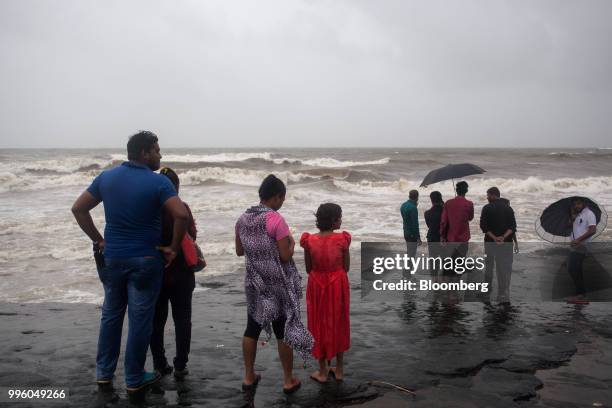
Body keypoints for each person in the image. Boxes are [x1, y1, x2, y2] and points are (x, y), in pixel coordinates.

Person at [71, 131, 189, 397]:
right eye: (157, 150)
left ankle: (104, 374)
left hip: (112, 258)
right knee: (139, 321)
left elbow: (78, 208)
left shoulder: (107, 178)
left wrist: (99, 240)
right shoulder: (157, 183)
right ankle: (134, 377)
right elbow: (180, 214)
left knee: (111, 316)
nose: (160, 154)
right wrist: (171, 247)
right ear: (144, 153)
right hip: (145, 262)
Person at [235, 175, 313, 394]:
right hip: (276, 283)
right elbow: (285, 257)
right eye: (282, 198)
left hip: (254, 282)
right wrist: (292, 244)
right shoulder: (275, 220)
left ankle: (249, 376)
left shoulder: (242, 218)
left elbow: (240, 251)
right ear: (277, 197)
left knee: (252, 327)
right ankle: (288, 380)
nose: (282, 203)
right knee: (282, 330)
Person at [149, 167, 198, 379]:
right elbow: (193, 235)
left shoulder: (149, 210)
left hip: (157, 273)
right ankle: (181, 364)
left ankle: (160, 364)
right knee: (182, 319)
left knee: (156, 321)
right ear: (176, 187)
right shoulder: (182, 208)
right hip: (182, 275)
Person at [300, 203, 351, 383]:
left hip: (316, 284)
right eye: (340, 217)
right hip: (338, 284)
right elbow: (346, 267)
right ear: (333, 221)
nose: (341, 220)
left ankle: (322, 371)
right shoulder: (343, 240)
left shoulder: (309, 241)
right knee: (339, 322)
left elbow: (308, 268)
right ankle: (339, 369)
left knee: (318, 323)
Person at [479, 187, 517, 304]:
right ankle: (501, 293)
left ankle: (486, 292)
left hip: (490, 242)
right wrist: (503, 237)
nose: (487, 197)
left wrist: (495, 238)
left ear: (493, 195)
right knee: (502, 268)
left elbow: (484, 227)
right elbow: (513, 227)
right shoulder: (509, 208)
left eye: (488, 195)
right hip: (506, 242)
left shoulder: (486, 208)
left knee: (489, 267)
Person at [567, 197, 597, 302]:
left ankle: (581, 293)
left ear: (583, 203)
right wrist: (572, 218)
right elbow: (571, 227)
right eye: (575, 204)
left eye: (578, 204)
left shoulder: (589, 213)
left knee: (572, 268)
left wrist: (579, 240)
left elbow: (593, 230)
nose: (576, 206)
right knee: (576, 269)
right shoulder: (578, 215)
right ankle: (580, 294)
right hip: (576, 245)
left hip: (582, 245)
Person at [440, 181, 474, 263]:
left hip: (451, 237)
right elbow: (470, 218)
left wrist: (442, 236)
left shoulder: (448, 203)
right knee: (460, 261)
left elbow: (444, 221)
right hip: (464, 238)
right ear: (466, 191)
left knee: (450, 261)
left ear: (456, 190)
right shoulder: (469, 204)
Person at [425, 191, 444, 272]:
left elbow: (429, 226)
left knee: (433, 260)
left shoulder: (427, 213)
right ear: (440, 198)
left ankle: (434, 281)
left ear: (431, 200)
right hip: (443, 238)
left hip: (432, 237)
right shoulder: (445, 212)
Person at [401, 190, 421, 258]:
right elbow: (415, 224)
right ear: (417, 197)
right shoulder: (413, 208)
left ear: (409, 196)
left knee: (409, 251)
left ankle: (407, 267)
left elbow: (406, 219)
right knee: (412, 254)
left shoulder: (403, 205)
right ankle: (408, 268)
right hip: (412, 234)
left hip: (406, 232)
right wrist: (418, 237)